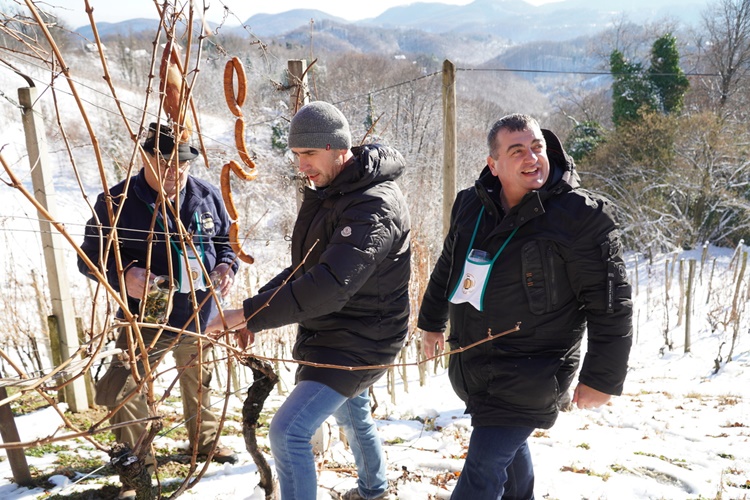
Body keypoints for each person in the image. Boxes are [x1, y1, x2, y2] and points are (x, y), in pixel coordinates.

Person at [418, 114, 633, 500]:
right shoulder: (471, 205)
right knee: (509, 462)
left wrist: (602, 378)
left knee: (481, 473)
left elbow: (611, 303)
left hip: (535, 370)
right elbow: (448, 266)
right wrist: (432, 322)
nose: (532, 157)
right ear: (494, 165)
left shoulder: (581, 217)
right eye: (517, 151)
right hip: (474, 362)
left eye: (537, 147)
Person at [207, 101, 411, 500]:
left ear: (339, 148)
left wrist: (244, 313)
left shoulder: (373, 205)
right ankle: (376, 491)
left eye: (310, 154)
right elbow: (305, 268)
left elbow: (330, 283)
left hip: (364, 337)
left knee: (288, 431)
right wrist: (254, 311)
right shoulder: (330, 192)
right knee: (352, 414)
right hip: (334, 327)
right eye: (297, 155)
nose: (302, 166)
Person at [78, 123, 240, 500]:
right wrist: (122, 274)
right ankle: (137, 468)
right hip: (145, 317)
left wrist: (226, 268)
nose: (174, 172)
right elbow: (89, 257)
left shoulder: (206, 196)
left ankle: (206, 443)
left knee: (200, 381)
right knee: (124, 389)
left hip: (198, 311)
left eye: (181, 164)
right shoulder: (116, 202)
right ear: (146, 157)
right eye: (165, 163)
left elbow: (225, 243)